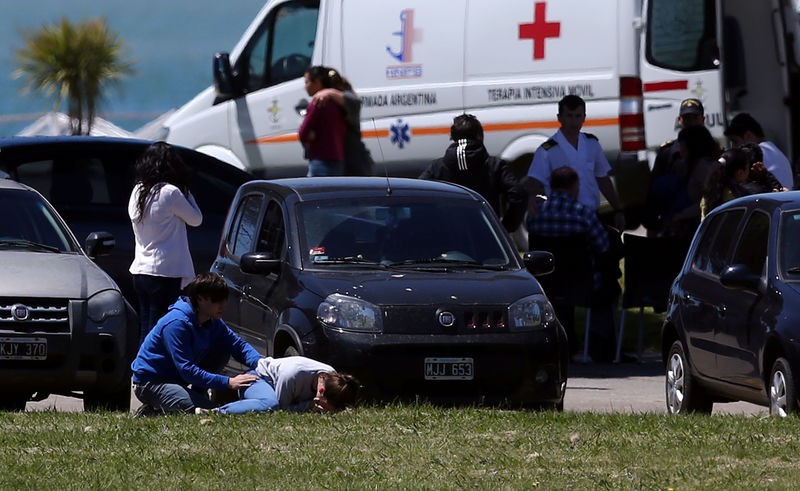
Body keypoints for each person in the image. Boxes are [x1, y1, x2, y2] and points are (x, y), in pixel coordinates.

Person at [131, 272, 261, 415]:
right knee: (209, 411)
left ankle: (191, 397)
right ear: (200, 299)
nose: (223, 305)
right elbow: (187, 370)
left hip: (178, 380)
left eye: (224, 299)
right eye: (216, 300)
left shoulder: (213, 321)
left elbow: (238, 345)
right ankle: (153, 411)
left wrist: (263, 364)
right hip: (151, 383)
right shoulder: (177, 323)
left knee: (223, 349)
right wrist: (228, 382)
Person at [528, 166, 622, 362]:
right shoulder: (583, 214)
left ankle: (561, 345)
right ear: (574, 187)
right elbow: (603, 246)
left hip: (547, 284)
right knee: (608, 287)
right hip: (581, 282)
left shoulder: (536, 216)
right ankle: (601, 346)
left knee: (560, 296)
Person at [128, 141, 203, 341]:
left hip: (141, 271)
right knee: (160, 328)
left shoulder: (138, 191)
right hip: (165, 272)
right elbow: (196, 219)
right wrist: (186, 191)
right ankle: (152, 369)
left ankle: (141, 369)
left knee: (146, 327)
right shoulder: (171, 192)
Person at [524, 95, 625, 232]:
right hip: (562, 217)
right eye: (569, 116)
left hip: (591, 215)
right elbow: (533, 181)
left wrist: (617, 209)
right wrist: (531, 198)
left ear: (584, 117)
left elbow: (603, 179)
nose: (574, 121)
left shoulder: (591, 144)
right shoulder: (547, 150)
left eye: (578, 116)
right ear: (559, 118)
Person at [419, 113, 527, 232]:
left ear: (453, 138)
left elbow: (417, 195)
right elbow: (519, 194)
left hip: (448, 236)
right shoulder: (494, 166)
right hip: (486, 235)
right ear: (479, 136)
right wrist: (505, 228)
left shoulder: (437, 167)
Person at [643, 98, 711, 234]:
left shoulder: (712, 152)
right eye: (687, 118)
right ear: (679, 120)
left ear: (703, 119)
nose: (690, 122)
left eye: (694, 118)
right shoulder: (668, 152)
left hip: (702, 221)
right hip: (674, 223)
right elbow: (653, 191)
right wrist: (653, 227)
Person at [209, 356, 360, 414]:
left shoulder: (331, 376)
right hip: (257, 378)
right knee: (270, 404)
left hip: (275, 385)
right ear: (321, 391)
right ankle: (216, 412)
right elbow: (283, 411)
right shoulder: (292, 376)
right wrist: (308, 405)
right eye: (327, 407)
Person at [657, 125, 719, 240]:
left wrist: (681, 215)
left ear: (692, 147)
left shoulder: (703, 167)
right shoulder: (695, 166)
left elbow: (709, 201)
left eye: (682, 147)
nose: (679, 150)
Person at [311, 69, 374, 176]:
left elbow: (353, 101)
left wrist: (329, 92)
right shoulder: (328, 102)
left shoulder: (347, 100)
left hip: (355, 161)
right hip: (339, 161)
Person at [298, 66, 347, 177]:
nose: (305, 87)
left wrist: (312, 135)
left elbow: (302, 133)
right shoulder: (338, 103)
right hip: (338, 159)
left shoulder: (317, 103)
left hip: (320, 161)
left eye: (307, 82)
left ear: (318, 82)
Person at [724, 112, 794, 190]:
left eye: (735, 141)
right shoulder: (771, 150)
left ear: (748, 135)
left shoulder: (761, 152)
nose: (733, 147)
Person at [700, 148, 756, 219]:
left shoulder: (710, 191)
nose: (749, 171)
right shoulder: (733, 196)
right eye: (748, 167)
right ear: (740, 173)